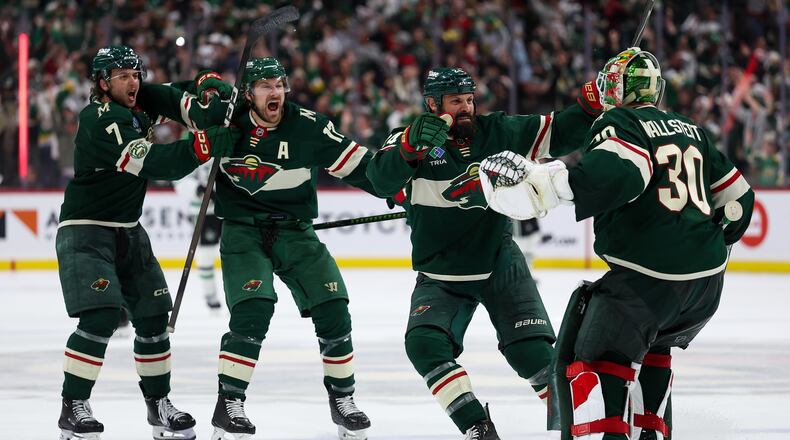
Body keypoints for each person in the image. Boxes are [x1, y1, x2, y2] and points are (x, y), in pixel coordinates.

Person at [480, 48, 755, 440]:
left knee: (594, 358)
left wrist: (545, 184)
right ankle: (652, 431)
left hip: (648, 279)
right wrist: (706, 240)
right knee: (654, 347)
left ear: (619, 87)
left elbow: (617, 175)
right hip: (707, 285)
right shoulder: (689, 127)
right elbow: (740, 201)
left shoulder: (620, 120)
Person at [365, 67, 602, 439]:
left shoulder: (498, 131)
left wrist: (589, 107)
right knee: (424, 345)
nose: (466, 107)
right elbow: (378, 178)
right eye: (455, 101)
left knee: (533, 354)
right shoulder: (407, 139)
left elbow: (557, 131)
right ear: (432, 104)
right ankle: (477, 425)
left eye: (469, 99)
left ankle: (587, 427)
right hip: (443, 273)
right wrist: (409, 152)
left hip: (498, 262)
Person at [56, 45, 236, 440]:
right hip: (86, 230)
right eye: (122, 76)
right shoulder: (99, 119)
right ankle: (74, 406)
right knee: (101, 316)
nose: (132, 82)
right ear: (103, 83)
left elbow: (178, 99)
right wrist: (203, 145)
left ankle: (158, 406)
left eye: (135, 74)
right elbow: (155, 163)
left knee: (154, 316)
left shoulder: (137, 101)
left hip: (129, 229)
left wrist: (208, 90)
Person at [200, 57, 375, 440]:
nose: (275, 92)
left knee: (334, 309)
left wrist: (403, 190)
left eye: (279, 85)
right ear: (248, 94)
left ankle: (343, 400)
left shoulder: (309, 126)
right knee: (253, 311)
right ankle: (229, 404)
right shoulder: (226, 122)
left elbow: (364, 166)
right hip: (244, 233)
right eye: (265, 86)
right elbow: (170, 102)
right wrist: (200, 83)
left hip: (296, 232)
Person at [173, 159, 223, 310]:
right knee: (206, 255)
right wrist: (198, 189)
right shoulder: (194, 146)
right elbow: (179, 177)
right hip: (204, 212)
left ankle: (238, 294)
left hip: (228, 209)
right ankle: (210, 295)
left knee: (235, 252)